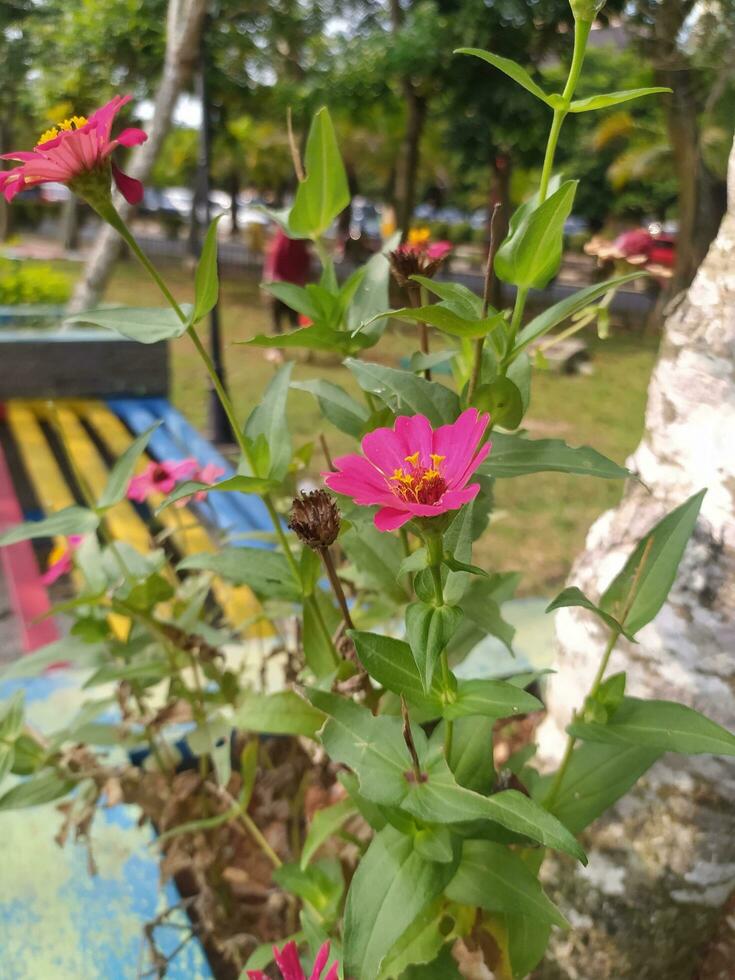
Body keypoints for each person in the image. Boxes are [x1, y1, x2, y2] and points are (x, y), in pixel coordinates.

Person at [262, 227, 311, 333]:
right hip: (290, 287)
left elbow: (274, 258)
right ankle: (301, 344)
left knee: (280, 319)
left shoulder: (282, 238)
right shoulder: (297, 241)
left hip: (282, 286)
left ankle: (279, 347)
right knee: (289, 319)